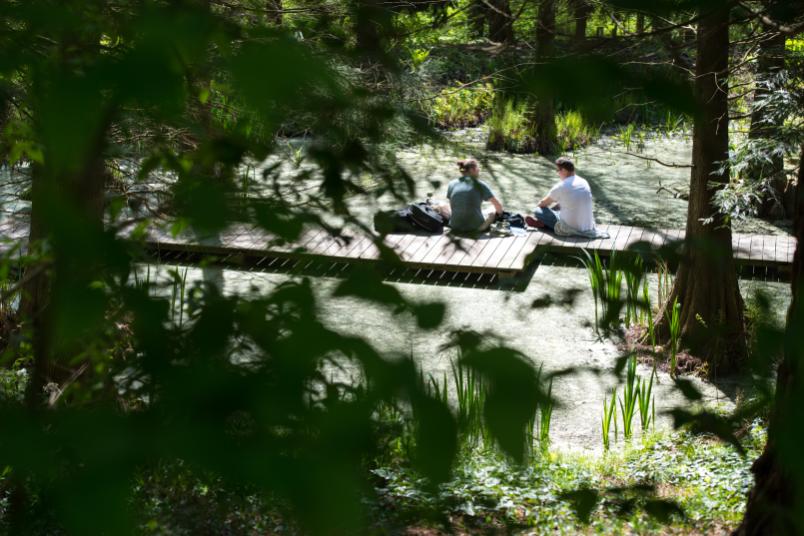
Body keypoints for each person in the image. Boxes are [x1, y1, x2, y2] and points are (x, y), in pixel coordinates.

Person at [527, 157, 601, 238]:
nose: (557, 173)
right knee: (560, 207)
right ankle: (543, 223)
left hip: (569, 228)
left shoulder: (561, 186)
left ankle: (543, 223)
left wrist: (547, 209)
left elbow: (542, 204)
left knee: (538, 211)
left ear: (564, 170)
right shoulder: (584, 182)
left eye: (558, 170)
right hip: (587, 227)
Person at [439, 159, 503, 233]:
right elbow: (498, 206)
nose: (479, 170)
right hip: (476, 228)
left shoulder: (452, 183)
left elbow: (452, 206)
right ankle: (479, 227)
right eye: (478, 168)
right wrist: (499, 213)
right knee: (493, 209)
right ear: (472, 169)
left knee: (442, 205)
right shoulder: (480, 185)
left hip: (454, 226)